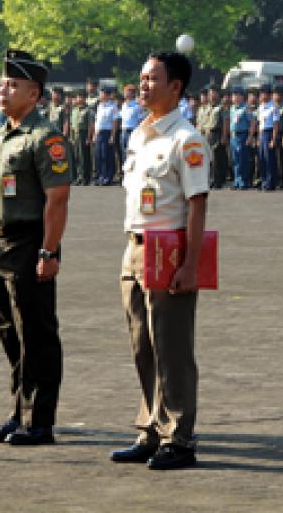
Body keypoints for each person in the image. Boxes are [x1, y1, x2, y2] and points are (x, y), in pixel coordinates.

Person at [111, 51, 210, 471]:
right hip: (134, 246)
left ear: (176, 87)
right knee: (142, 345)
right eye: (142, 77)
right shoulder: (139, 135)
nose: (144, 85)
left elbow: (197, 204)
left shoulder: (185, 139)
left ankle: (179, 438)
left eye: (153, 79)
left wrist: (190, 263)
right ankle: (149, 429)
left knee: (172, 347)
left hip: (168, 248)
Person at [0, 49, 71, 447]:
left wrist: (49, 253)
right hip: (0, 244)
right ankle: (18, 412)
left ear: (33, 94)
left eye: (13, 85)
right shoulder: (0, 136)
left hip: (30, 242)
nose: (3, 89)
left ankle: (40, 421)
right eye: (2, 83)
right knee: (10, 334)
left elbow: (58, 199)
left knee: (37, 334)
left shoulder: (45, 138)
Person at [196, 86, 228, 189]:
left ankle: (217, 181)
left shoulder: (221, 107)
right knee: (208, 159)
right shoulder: (207, 108)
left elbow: (225, 123)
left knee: (216, 160)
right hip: (207, 135)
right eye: (210, 93)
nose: (211, 95)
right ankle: (210, 180)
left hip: (217, 133)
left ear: (217, 94)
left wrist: (224, 136)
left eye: (214, 93)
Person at [66, 88, 94, 185]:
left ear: (84, 98)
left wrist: (89, 137)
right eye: (78, 97)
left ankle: (86, 178)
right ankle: (78, 176)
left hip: (84, 134)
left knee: (84, 157)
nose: (79, 99)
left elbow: (90, 125)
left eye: (81, 97)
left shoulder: (88, 110)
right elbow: (71, 125)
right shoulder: (74, 110)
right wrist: (71, 136)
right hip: (75, 134)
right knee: (77, 156)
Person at [229, 87, 254, 189]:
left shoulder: (246, 108)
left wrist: (250, 137)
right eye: (234, 95)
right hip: (233, 136)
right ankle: (237, 181)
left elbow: (252, 123)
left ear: (242, 97)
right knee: (235, 160)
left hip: (242, 135)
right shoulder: (232, 108)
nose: (235, 97)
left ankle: (244, 181)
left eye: (237, 95)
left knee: (242, 160)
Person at [94, 87, 119, 185]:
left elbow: (115, 122)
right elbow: (97, 121)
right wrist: (95, 134)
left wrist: (112, 136)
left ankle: (108, 177)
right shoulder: (99, 106)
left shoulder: (113, 107)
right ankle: (101, 176)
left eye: (101, 94)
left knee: (106, 156)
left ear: (107, 95)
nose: (100, 96)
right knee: (98, 156)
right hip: (99, 133)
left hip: (107, 133)